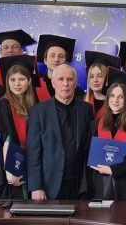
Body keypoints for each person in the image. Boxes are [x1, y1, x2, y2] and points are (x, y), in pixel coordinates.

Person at [27, 65, 94, 200]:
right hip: (49, 185)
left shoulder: (86, 109)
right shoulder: (38, 111)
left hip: (79, 185)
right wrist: (36, 186)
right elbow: (33, 152)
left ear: (76, 83)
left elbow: (88, 147)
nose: (65, 83)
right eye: (61, 79)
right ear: (53, 83)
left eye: (70, 79)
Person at [88, 68, 126, 201]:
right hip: (99, 182)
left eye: (121, 97)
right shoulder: (95, 125)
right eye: (112, 96)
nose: (115, 100)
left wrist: (115, 170)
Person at [0, 55, 37, 200]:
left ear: (29, 81)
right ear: (7, 82)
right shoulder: (3, 104)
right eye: (12, 80)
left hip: (31, 162)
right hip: (12, 164)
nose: (17, 84)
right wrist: (9, 171)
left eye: (21, 79)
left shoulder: (34, 105)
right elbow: (5, 138)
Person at [34, 34, 80, 102]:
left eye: (61, 56)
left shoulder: (77, 92)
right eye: (52, 56)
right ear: (45, 60)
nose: (56, 59)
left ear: (66, 62)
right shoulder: (35, 89)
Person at [84, 51, 120, 119]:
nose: (95, 80)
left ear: (107, 78)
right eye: (91, 76)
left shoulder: (116, 104)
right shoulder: (80, 102)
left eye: (100, 76)